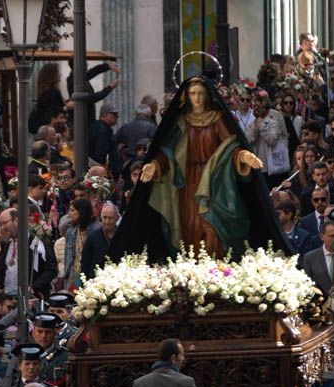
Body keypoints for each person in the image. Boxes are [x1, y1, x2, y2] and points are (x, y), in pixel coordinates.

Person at [116, 77, 277, 259]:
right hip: (187, 184)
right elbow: (168, 151)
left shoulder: (218, 119)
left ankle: (215, 270)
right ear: (187, 96)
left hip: (214, 181)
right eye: (193, 94)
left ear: (207, 95)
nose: (197, 98)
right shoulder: (180, 121)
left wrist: (244, 155)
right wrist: (154, 165)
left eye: (201, 93)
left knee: (212, 226)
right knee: (190, 226)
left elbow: (231, 146)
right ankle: (192, 270)